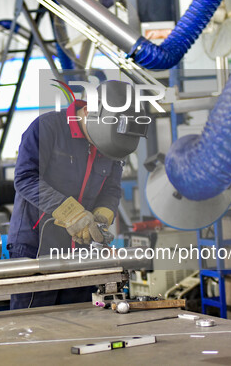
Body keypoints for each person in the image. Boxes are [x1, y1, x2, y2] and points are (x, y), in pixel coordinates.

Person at [8, 80, 148, 309]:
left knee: (80, 321)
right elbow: (25, 178)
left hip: (83, 248)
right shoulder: (47, 127)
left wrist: (103, 213)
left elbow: (111, 188)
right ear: (89, 112)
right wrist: (70, 212)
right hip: (35, 246)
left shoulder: (112, 143)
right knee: (32, 325)